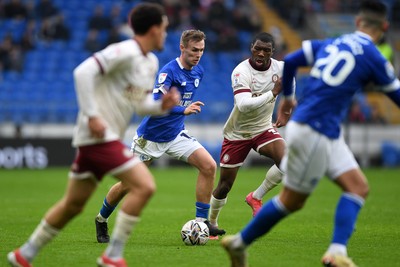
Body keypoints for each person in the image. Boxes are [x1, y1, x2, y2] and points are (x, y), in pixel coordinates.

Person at [221, 1, 400, 267]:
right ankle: (240, 242)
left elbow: (291, 61)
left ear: (357, 23)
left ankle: (336, 251)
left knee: (359, 188)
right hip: (316, 129)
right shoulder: (374, 56)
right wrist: (287, 100)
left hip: (321, 128)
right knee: (292, 202)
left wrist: (289, 100)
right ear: (384, 27)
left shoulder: (332, 43)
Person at [7, 3, 180, 267]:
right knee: (145, 186)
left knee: (72, 206)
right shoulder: (124, 51)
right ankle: (112, 257)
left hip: (99, 138)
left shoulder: (149, 62)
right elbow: (82, 72)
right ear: (155, 29)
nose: (166, 34)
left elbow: (139, 104)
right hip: (99, 135)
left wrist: (161, 106)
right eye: (165, 29)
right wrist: (92, 115)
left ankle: (23, 255)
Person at [94, 29, 226, 243]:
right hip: (150, 139)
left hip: (175, 135)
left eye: (201, 50)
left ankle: (202, 223)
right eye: (194, 49)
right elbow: (157, 100)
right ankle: (101, 219)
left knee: (209, 166)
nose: (198, 54)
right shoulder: (168, 71)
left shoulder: (198, 72)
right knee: (127, 185)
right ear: (182, 47)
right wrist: (182, 110)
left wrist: (181, 114)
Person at [208, 32, 295, 233]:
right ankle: (211, 223)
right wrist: (273, 93)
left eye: (266, 50)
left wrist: (286, 108)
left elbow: (290, 84)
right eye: (258, 48)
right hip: (237, 132)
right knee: (225, 184)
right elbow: (244, 105)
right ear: (251, 48)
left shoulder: (281, 68)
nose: (261, 53)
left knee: (288, 161)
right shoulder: (241, 72)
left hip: (263, 128)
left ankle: (256, 197)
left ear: (273, 52)